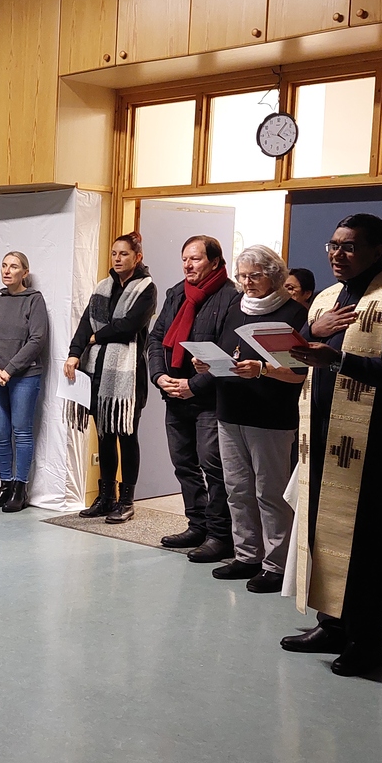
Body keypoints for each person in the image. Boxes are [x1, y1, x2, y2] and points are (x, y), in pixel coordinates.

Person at [280, 213, 382, 679]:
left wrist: (339, 359)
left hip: (365, 436)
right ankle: (332, 624)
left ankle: (365, 641)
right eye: (333, 245)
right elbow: (295, 358)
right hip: (319, 431)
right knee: (321, 531)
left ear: (377, 249)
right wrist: (312, 335)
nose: (337, 254)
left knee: (361, 539)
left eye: (349, 246)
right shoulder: (326, 298)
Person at [192, 245, 306, 593]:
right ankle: (247, 555)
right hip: (230, 409)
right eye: (242, 276)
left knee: (269, 493)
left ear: (274, 275)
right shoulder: (235, 307)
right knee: (237, 489)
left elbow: (298, 373)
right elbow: (229, 352)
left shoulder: (291, 313)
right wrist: (208, 363)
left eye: (254, 276)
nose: (247, 283)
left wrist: (263, 370)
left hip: (269, 415)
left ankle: (276, 565)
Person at [146, 235, 239, 561]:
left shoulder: (232, 297)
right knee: (184, 464)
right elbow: (156, 338)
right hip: (174, 393)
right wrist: (159, 376)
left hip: (209, 399)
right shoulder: (176, 293)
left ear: (214, 262)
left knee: (213, 467)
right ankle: (196, 525)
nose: (187, 265)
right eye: (184, 258)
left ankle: (219, 535)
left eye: (195, 259)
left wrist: (194, 385)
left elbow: (229, 354)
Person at [66, 233, 156, 524]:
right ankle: (106, 498)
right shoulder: (103, 287)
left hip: (128, 377)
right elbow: (85, 323)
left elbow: (129, 326)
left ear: (137, 257)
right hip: (98, 373)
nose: (117, 258)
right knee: (104, 435)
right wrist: (75, 353)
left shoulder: (146, 288)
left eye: (124, 254)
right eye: (115, 253)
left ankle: (126, 501)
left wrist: (98, 336)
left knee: (127, 437)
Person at [0, 251, 49, 513]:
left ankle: (21, 489)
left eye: (14, 267)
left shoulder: (34, 300)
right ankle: (5, 485)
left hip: (24, 377)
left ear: (25, 273)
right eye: (4, 266)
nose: (7, 271)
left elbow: (37, 340)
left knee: (21, 432)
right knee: (0, 433)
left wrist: (9, 370)